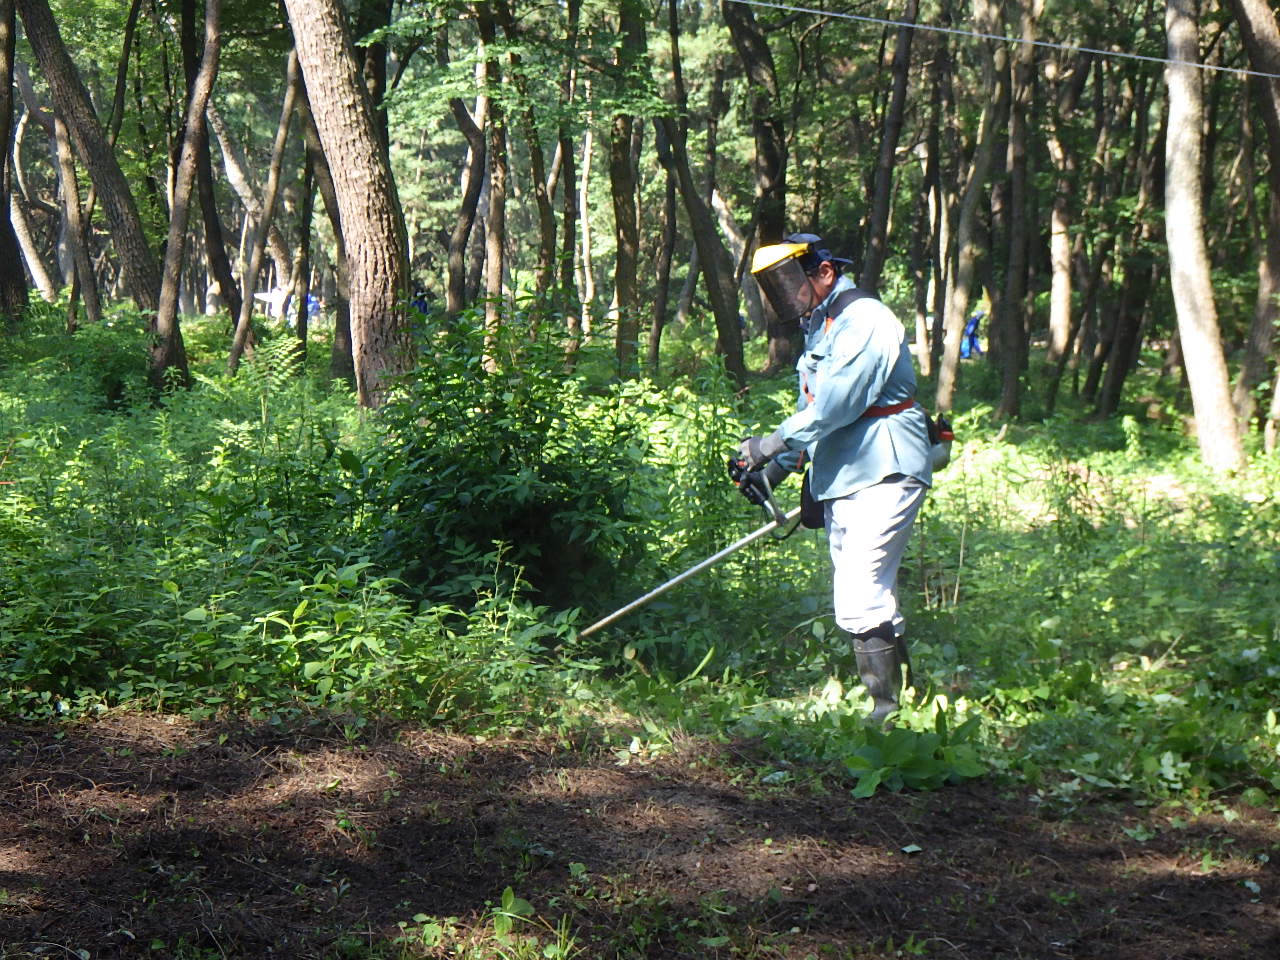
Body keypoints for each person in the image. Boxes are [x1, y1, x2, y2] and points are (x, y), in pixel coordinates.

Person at [736, 233, 932, 723]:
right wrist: (776, 467)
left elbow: (838, 404)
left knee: (859, 593)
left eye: (788, 282)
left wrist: (768, 444)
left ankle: (886, 716)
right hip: (845, 472)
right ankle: (908, 705)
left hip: (885, 467)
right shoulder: (823, 324)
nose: (784, 295)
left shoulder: (865, 320)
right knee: (865, 590)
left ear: (823, 272)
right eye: (773, 286)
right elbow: (812, 410)